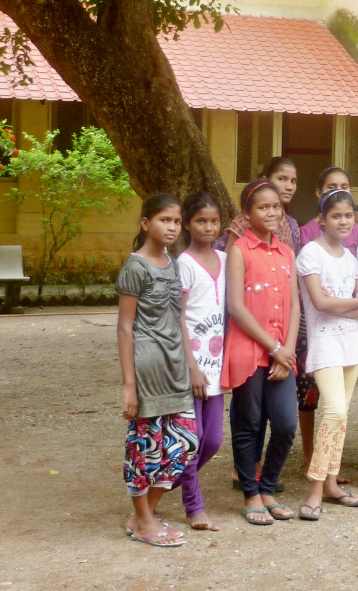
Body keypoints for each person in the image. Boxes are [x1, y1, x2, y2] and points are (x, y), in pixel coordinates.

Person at [116, 193, 198, 547]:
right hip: (147, 368)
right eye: (165, 220)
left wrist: (191, 363)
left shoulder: (174, 262)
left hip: (175, 365)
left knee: (184, 442)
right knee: (146, 446)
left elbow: (178, 317)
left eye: (177, 221)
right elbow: (124, 327)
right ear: (146, 223)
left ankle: (142, 515)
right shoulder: (135, 267)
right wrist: (129, 386)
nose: (172, 227)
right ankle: (146, 521)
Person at [221, 180, 300, 525]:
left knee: (285, 424)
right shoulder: (240, 249)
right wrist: (274, 348)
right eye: (262, 207)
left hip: (281, 351)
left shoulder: (287, 252)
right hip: (248, 349)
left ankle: (268, 487)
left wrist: (287, 351)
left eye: (275, 207)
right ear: (247, 213)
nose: (271, 212)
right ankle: (251, 495)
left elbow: (296, 304)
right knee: (249, 423)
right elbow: (236, 307)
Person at [296, 189, 358, 520]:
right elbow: (319, 303)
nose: (344, 221)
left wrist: (347, 303)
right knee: (335, 413)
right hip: (325, 342)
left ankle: (331, 483)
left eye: (349, 215)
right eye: (336, 215)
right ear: (321, 219)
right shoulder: (310, 254)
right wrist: (352, 302)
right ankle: (314, 489)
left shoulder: (352, 258)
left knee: (340, 420)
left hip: (353, 344)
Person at [175, 192, 227, 531]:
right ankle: (194, 506)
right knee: (192, 440)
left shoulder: (225, 258)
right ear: (188, 224)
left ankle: (167, 480)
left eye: (213, 221)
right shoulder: (183, 263)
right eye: (200, 221)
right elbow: (177, 318)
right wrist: (191, 366)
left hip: (218, 366)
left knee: (213, 440)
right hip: (192, 367)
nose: (208, 227)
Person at [300, 167, 358, 254]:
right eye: (332, 187)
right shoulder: (306, 232)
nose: (338, 191)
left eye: (344, 187)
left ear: (350, 192)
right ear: (319, 193)